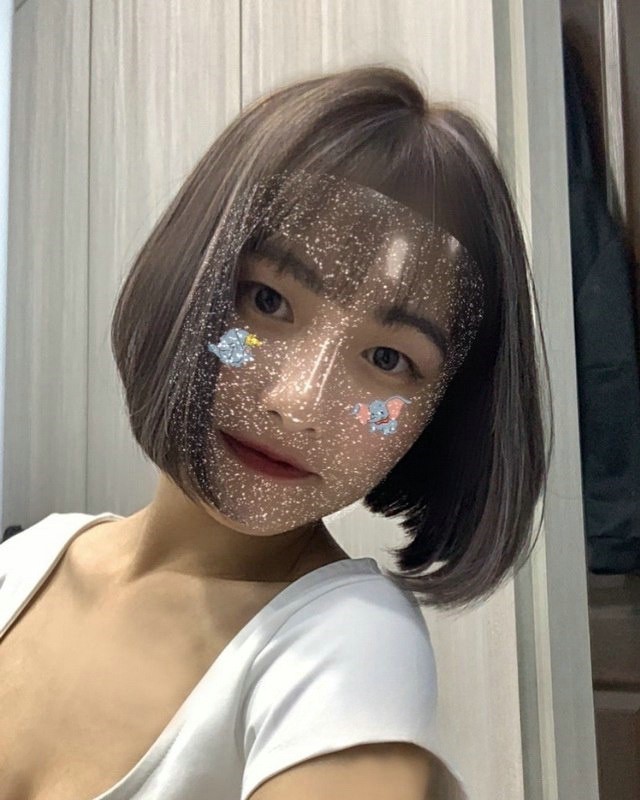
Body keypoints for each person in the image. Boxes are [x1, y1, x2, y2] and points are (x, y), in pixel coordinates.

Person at [0, 64, 552, 800]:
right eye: (266, 300)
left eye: (388, 359)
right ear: (187, 276)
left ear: (439, 417)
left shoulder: (354, 647)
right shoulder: (25, 561)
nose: (298, 403)